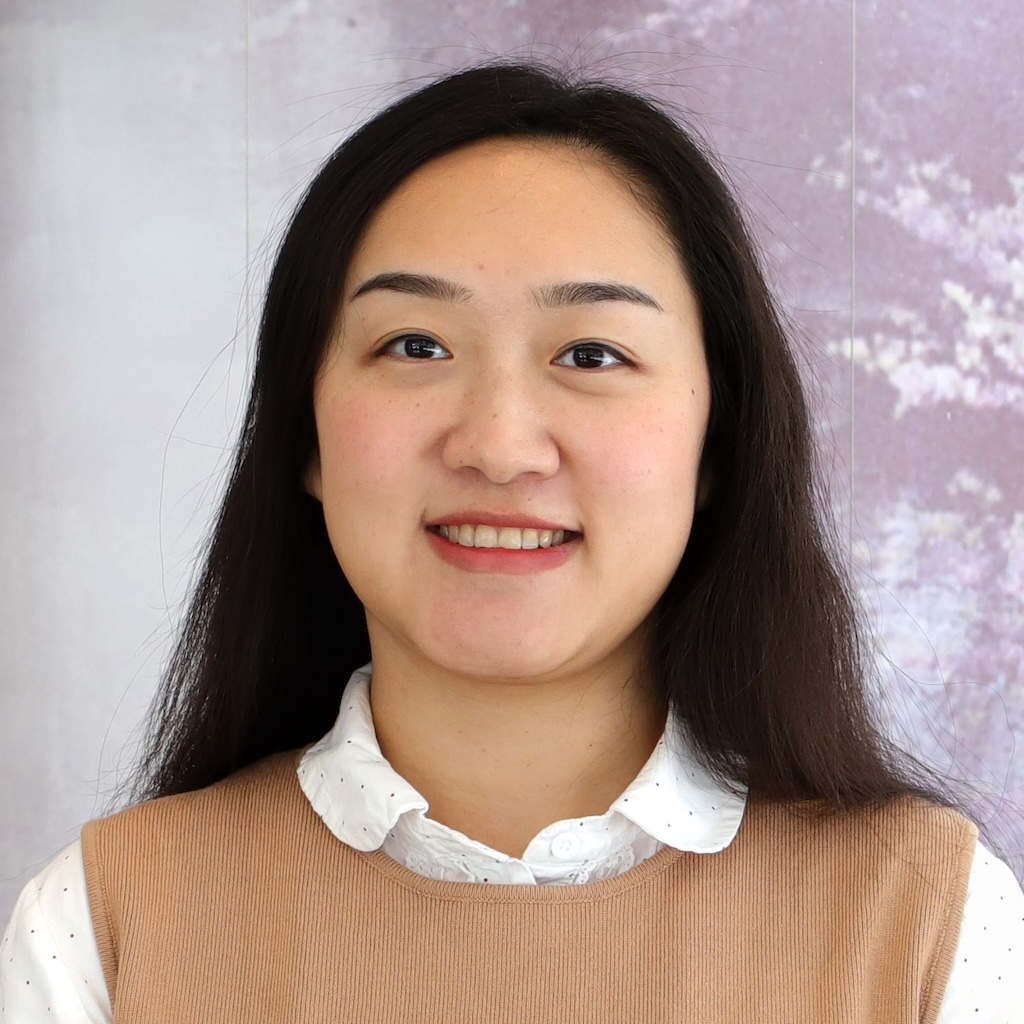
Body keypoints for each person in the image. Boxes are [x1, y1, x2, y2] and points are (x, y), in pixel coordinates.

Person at [2, 60, 1022, 1023]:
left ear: (717, 442)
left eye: (592, 353)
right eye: (414, 344)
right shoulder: (104, 930)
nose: (497, 445)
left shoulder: (929, 924)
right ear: (302, 436)